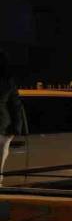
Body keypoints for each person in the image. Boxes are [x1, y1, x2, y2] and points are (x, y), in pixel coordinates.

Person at [1, 52, 26, 187]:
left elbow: (16, 106)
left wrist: (15, 129)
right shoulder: (7, 82)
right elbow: (16, 106)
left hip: (3, 130)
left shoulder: (7, 82)